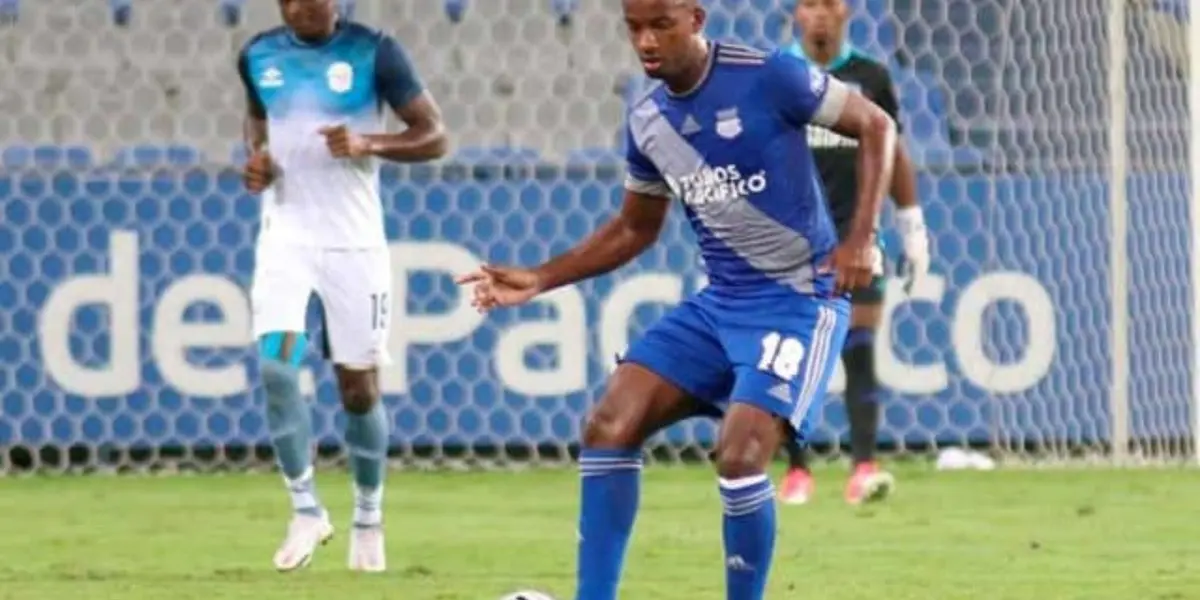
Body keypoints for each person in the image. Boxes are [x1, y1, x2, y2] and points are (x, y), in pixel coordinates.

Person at [456, 1, 896, 598]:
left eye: (660, 24)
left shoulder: (769, 76)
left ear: (695, 18)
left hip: (799, 301)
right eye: (634, 27)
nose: (646, 41)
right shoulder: (648, 121)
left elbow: (877, 125)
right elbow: (635, 229)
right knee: (609, 424)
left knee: (740, 454)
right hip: (720, 305)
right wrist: (540, 278)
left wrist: (861, 238)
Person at [238, 0, 447, 573]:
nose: (305, 5)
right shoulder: (258, 55)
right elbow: (257, 119)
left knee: (358, 389)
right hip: (285, 239)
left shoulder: (374, 51)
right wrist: (258, 158)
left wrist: (368, 143)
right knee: (277, 367)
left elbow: (435, 136)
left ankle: (368, 516)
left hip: (355, 246)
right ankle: (305, 510)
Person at [777, 0, 931, 507]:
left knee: (858, 347)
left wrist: (912, 226)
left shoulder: (871, 77)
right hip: (791, 238)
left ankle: (863, 467)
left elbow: (892, 150)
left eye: (830, 3)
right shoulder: (777, 74)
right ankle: (797, 470)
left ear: (846, 11)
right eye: (810, 4)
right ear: (796, 13)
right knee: (789, 356)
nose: (820, 14)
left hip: (856, 236)